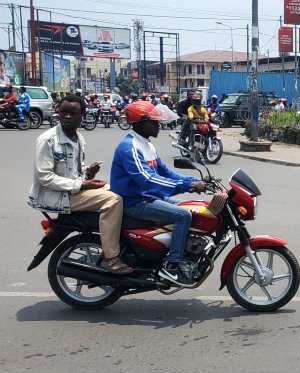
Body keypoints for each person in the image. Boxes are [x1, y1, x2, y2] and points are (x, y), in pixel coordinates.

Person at [28, 95, 132, 274]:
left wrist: (88, 172)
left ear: (82, 115)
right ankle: (110, 256)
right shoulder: (48, 140)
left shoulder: (78, 138)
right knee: (113, 200)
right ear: (57, 113)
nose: (68, 117)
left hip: (71, 190)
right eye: (64, 112)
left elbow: (72, 171)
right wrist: (83, 185)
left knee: (120, 191)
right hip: (57, 196)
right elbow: (45, 177)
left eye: (73, 113)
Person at [110, 101, 205, 287]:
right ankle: (172, 265)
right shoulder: (130, 147)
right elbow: (148, 180)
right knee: (183, 216)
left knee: (190, 207)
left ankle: (175, 251)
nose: (158, 125)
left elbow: (165, 173)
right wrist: (186, 186)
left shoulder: (146, 145)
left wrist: (192, 180)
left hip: (149, 196)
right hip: (134, 201)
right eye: (153, 122)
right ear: (139, 123)